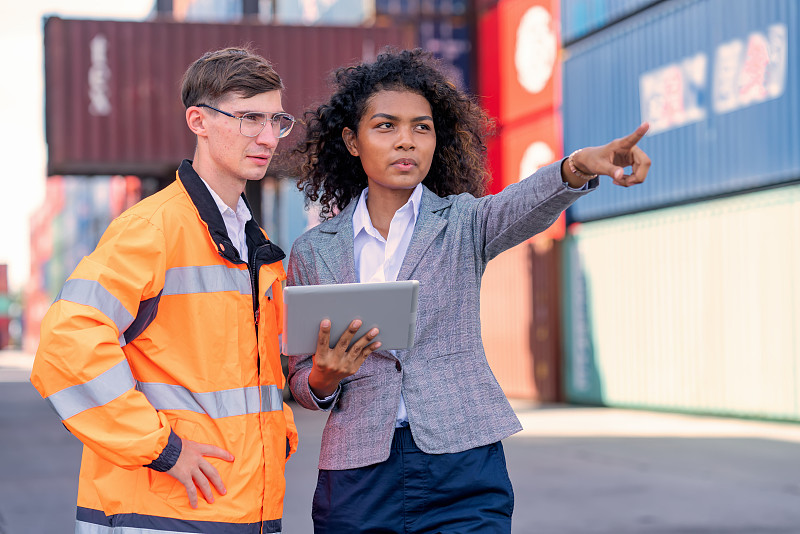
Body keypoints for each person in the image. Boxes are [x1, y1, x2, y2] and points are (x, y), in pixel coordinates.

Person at [285, 48, 651, 533]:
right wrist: (323, 381)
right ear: (352, 141)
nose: (406, 142)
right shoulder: (313, 251)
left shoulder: (464, 221)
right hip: (358, 471)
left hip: (462, 462)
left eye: (422, 127)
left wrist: (580, 165)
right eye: (386, 126)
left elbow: (525, 202)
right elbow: (299, 377)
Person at [31, 46, 300, 534]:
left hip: (242, 510)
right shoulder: (153, 229)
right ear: (198, 120)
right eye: (249, 118)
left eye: (276, 120)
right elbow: (65, 345)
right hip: (161, 513)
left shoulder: (251, 243)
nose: (267, 137)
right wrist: (162, 449)